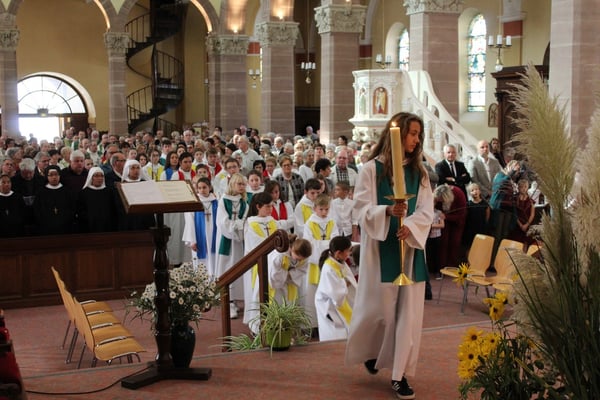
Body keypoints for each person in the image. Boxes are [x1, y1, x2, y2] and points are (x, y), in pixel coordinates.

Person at [346, 112, 433, 400]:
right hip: (380, 250)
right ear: (397, 135)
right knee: (379, 312)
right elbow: (360, 209)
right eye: (412, 133)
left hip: (410, 252)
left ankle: (399, 374)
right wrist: (386, 211)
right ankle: (373, 352)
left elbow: (427, 211)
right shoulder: (371, 170)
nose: (416, 139)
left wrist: (410, 226)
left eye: (419, 134)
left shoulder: (420, 173)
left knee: (408, 316)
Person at [303, 193, 339, 332]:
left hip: (330, 262)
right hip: (314, 265)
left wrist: (321, 244)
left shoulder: (332, 222)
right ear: (315, 208)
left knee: (329, 293)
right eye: (321, 209)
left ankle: (329, 324)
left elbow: (335, 242)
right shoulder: (309, 223)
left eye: (326, 209)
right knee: (313, 294)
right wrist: (326, 245)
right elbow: (310, 245)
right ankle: (313, 325)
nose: (324, 212)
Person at [243, 192, 277, 333]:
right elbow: (255, 246)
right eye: (267, 206)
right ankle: (256, 327)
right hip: (258, 264)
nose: (270, 209)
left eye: (272, 206)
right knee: (258, 294)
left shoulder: (272, 221)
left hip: (273, 263)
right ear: (258, 206)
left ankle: (273, 323)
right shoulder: (251, 223)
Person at [215, 173, 248, 319]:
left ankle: (236, 300)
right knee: (226, 267)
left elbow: (245, 220)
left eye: (243, 184)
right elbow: (222, 222)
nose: (242, 187)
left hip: (239, 242)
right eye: (239, 184)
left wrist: (240, 228)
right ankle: (227, 301)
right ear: (232, 184)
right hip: (226, 239)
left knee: (238, 267)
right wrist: (235, 227)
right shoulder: (223, 201)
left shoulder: (244, 203)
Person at [315, 236, 356, 342]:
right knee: (335, 333)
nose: (349, 254)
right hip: (328, 305)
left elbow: (348, 278)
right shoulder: (329, 268)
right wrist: (345, 284)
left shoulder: (340, 262)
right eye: (348, 251)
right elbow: (337, 295)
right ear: (338, 253)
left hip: (335, 301)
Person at [183, 177, 219, 275]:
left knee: (213, 260)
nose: (202, 190)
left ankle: (214, 279)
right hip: (199, 237)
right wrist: (192, 241)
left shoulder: (216, 202)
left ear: (210, 187)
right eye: (199, 188)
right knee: (201, 264)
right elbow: (189, 222)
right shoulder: (194, 202)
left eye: (204, 187)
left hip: (213, 236)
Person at [489, 160, 521, 260]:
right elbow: (500, 184)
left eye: (517, 170)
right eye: (515, 169)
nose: (516, 172)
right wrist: (511, 172)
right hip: (499, 209)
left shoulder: (511, 180)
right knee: (497, 236)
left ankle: (500, 260)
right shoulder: (500, 175)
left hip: (508, 210)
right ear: (509, 167)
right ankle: (492, 261)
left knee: (504, 236)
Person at [268, 237, 312, 305]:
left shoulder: (304, 258)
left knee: (288, 305)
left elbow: (302, 270)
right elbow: (274, 273)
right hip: (276, 285)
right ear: (293, 249)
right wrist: (289, 274)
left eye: (301, 259)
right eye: (298, 259)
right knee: (277, 304)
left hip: (290, 285)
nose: (300, 261)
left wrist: (288, 274)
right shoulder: (279, 255)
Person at [34, 165, 76, 235]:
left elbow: (72, 208)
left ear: (60, 175)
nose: (54, 177)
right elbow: (37, 210)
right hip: (46, 227)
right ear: (46, 176)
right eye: (51, 175)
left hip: (65, 227)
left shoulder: (67, 192)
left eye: (56, 174)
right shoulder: (41, 193)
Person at [434, 184, 468, 269]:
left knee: (454, 243)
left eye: (442, 200)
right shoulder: (438, 194)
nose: (440, 202)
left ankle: (451, 267)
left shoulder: (459, 194)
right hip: (443, 221)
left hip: (457, 221)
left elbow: (461, 215)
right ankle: (441, 267)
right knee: (443, 242)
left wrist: (446, 216)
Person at [462, 182, 491, 251]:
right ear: (469, 193)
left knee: (479, 247)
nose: (475, 191)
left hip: (481, 229)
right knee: (469, 247)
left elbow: (487, 218)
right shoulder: (468, 204)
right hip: (470, 230)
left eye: (476, 189)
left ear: (479, 191)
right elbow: (466, 217)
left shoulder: (485, 204)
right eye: (472, 190)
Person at [509, 178, 535, 246]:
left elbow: (532, 214)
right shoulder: (514, 199)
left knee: (526, 242)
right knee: (516, 242)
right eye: (521, 187)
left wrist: (526, 224)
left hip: (527, 224)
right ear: (518, 188)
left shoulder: (530, 200)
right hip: (517, 225)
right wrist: (520, 225)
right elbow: (514, 213)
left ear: (528, 187)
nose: (523, 189)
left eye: (525, 187)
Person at [0, 174, 27, 238]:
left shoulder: (18, 197)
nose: (7, 184)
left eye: (8, 182)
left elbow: (23, 213)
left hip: (17, 230)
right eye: (3, 182)